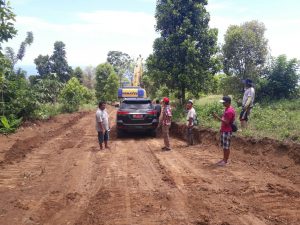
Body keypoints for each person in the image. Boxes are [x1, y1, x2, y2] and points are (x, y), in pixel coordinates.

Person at [213, 96, 236, 166]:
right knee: (224, 146)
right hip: (225, 130)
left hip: (227, 131)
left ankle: (225, 161)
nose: (223, 104)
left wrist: (217, 117)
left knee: (226, 147)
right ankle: (224, 159)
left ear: (228, 102)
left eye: (224, 102)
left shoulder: (229, 111)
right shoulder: (227, 109)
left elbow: (226, 122)